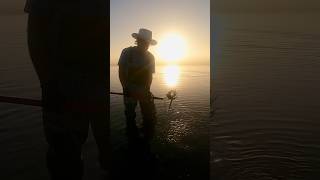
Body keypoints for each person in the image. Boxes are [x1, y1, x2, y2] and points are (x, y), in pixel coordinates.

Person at [25, 0, 109, 179]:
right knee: (65, 160)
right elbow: (35, 31)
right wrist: (48, 83)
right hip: (63, 88)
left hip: (100, 88)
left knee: (110, 155)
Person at [118, 28, 157, 148]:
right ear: (137, 41)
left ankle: (147, 137)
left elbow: (150, 76)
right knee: (130, 115)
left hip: (144, 89)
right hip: (129, 88)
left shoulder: (151, 57)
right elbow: (121, 73)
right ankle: (131, 135)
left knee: (148, 114)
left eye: (147, 43)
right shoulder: (127, 52)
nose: (145, 45)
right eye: (142, 42)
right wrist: (126, 88)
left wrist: (147, 90)